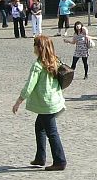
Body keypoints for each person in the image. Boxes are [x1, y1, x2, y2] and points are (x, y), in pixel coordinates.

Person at [12, 35, 66, 171]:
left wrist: (18, 101)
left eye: (35, 45)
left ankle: (60, 161)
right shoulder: (55, 61)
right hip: (54, 101)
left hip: (46, 104)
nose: (33, 47)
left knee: (52, 132)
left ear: (39, 48)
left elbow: (29, 86)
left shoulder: (38, 65)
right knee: (39, 127)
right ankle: (40, 157)